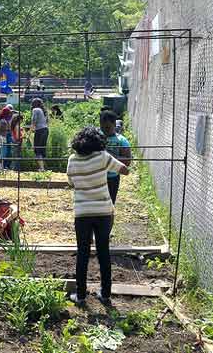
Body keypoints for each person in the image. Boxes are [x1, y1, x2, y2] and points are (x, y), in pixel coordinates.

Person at [66, 127, 129, 307]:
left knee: (83, 253)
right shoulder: (102, 157)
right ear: (98, 142)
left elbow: (71, 182)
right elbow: (124, 170)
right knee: (103, 251)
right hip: (103, 212)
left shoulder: (72, 160)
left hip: (82, 213)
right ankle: (106, 294)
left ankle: (80, 295)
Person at [100, 110, 131, 204]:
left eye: (107, 127)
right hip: (98, 176)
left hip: (112, 177)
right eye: (102, 127)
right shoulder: (96, 137)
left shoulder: (122, 141)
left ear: (114, 124)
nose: (104, 130)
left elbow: (127, 161)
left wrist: (110, 156)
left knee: (110, 203)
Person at [31, 98, 49, 172]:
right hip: (45, 130)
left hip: (40, 131)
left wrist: (31, 129)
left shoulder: (35, 110)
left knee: (37, 149)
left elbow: (34, 120)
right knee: (42, 149)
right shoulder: (42, 110)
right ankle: (44, 167)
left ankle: (42, 168)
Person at [0, 106, 14, 170]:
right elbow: (3, 129)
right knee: (3, 152)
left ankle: (4, 166)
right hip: (3, 136)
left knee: (6, 151)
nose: (10, 114)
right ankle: (1, 167)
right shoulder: (3, 121)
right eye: (9, 113)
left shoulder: (5, 120)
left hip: (5, 136)